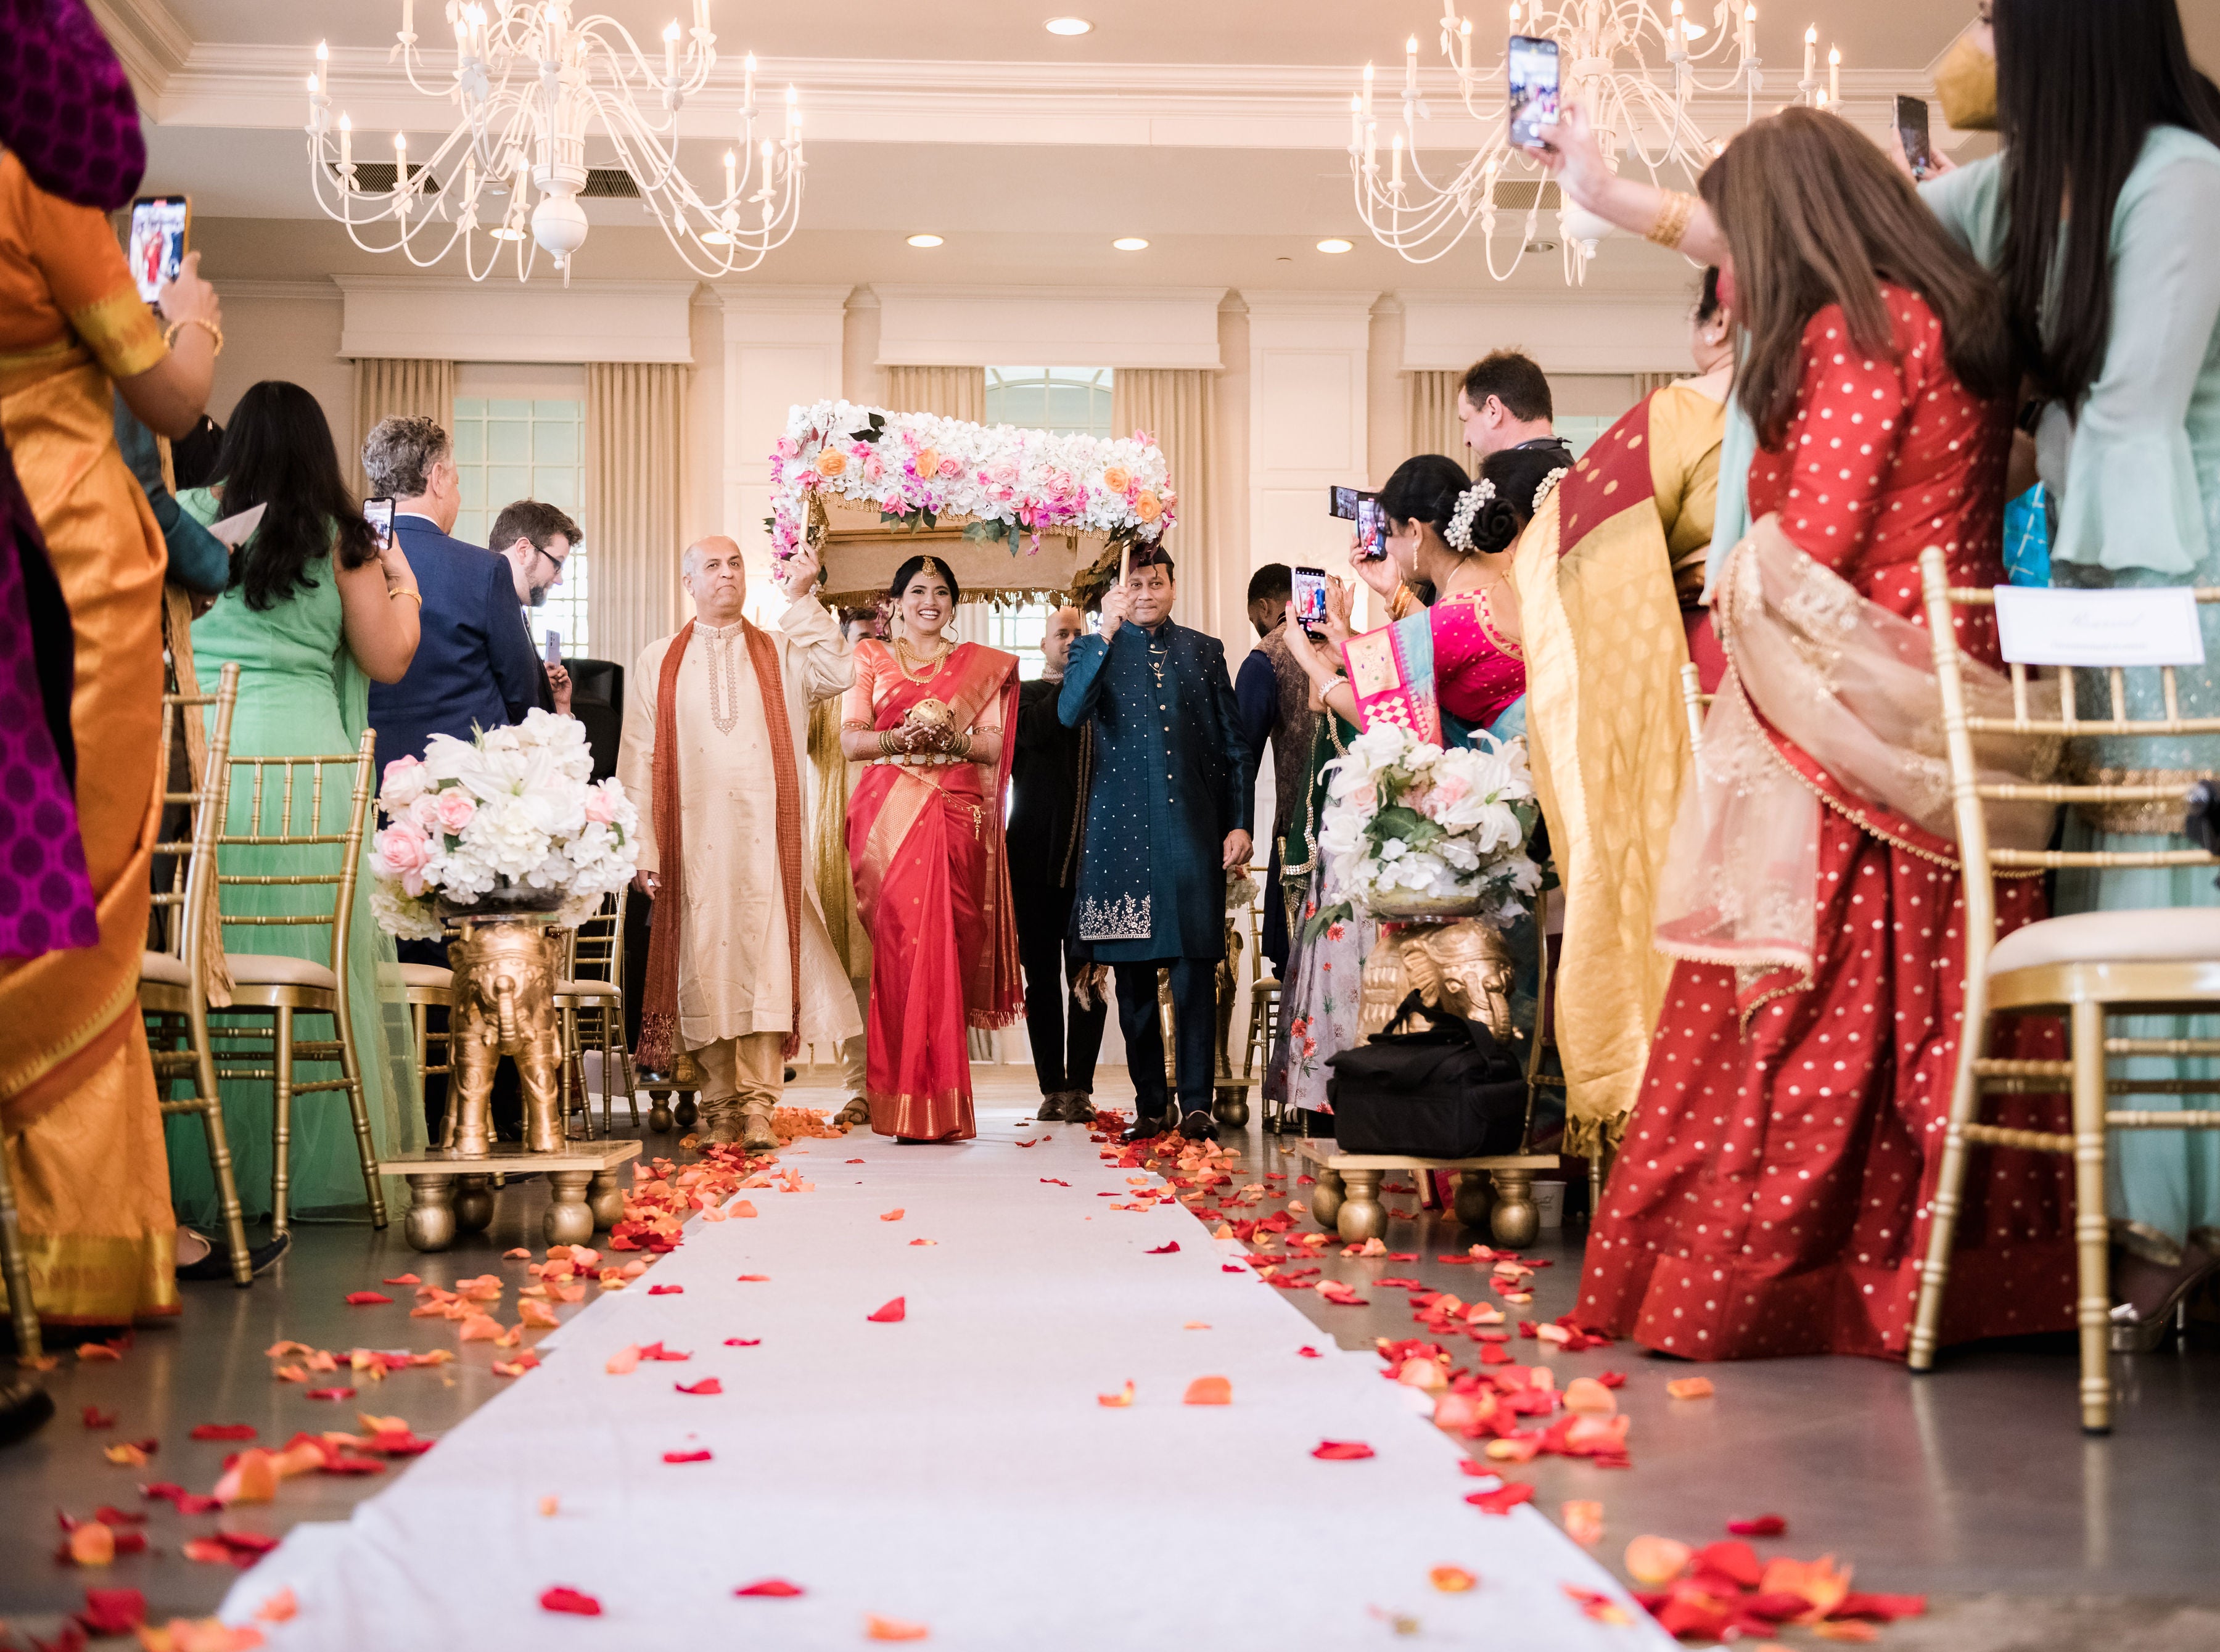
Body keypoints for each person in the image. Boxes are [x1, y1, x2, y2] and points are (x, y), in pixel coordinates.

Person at [1575, 108, 2077, 1362]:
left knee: (1801, 991)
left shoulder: (1856, 328)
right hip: (1954, 680)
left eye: (1734, 254)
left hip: (1855, 704)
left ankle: (1766, 1280)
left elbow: (1822, 543)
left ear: (1784, 229)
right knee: (1947, 987)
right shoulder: (1960, 312)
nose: (1728, 284)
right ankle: (1974, 1274)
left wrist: (1725, 585)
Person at [1917, 0, 2220, 1342]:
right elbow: (1870, 230)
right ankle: (2131, 1217)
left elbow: (2135, 413)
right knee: (2108, 859)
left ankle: (2174, 1223)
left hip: (2183, 585)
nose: (1971, 37)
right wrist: (1625, 196)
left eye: (1992, 16)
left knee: (2164, 858)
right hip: (2106, 597)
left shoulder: (2183, 177)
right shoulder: (2030, 188)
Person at [0, 131, 218, 1336]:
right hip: (69, 592)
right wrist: (193, 326)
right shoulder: (48, 213)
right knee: (74, 923)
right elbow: (162, 421)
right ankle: (70, 1235)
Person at [173, 380, 426, 1229]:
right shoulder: (343, 539)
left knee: (202, 962)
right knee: (312, 959)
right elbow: (388, 659)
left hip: (203, 764)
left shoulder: (188, 517)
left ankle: (196, 1159)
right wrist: (405, 586)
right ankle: (306, 1168)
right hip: (308, 773)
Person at [1500, 271, 1730, 1172]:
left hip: (1730, 700)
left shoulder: (1681, 418)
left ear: (1716, 324)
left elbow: (1556, 557)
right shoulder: (1845, 404)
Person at [1272, 452, 1545, 1116]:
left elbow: (1384, 713)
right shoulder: (1496, 583)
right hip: (1524, 795)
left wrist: (1312, 661)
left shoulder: (1453, 617)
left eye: (1392, 534)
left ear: (1417, 533)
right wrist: (1351, 630)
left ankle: (1470, 1117)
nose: (1389, 548)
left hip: (1493, 819)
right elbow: (1404, 664)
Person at [620, 536, 861, 1151]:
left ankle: (758, 1106)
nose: (726, 574)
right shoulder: (657, 660)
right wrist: (643, 846)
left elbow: (840, 672)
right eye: (712, 566)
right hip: (690, 842)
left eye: (735, 564)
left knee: (763, 963)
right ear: (689, 583)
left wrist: (802, 597)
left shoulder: (780, 648)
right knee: (703, 967)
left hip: (766, 842)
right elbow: (639, 756)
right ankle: (720, 1106)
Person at [1059, 551, 1252, 1143]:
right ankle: (1151, 1105)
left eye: (1156, 582)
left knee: (1195, 972)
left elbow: (1235, 747)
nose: (1145, 592)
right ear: (1118, 592)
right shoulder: (1094, 649)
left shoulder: (1204, 651)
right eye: (1134, 583)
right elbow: (1070, 712)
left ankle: (1195, 1104)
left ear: (1173, 585)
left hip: (1191, 835)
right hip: (1119, 841)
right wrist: (1104, 631)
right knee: (1134, 983)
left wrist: (1239, 824)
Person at [839, 556, 1024, 1142]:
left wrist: (953, 739)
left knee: (946, 950)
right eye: (917, 590)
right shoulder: (871, 656)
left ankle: (941, 1104)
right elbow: (850, 740)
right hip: (887, 817)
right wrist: (899, 737)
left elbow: (991, 747)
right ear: (895, 602)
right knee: (901, 953)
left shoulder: (978, 666)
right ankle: (901, 1103)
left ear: (953, 602)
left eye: (941, 592)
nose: (930, 601)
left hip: (955, 815)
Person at [361, 417, 548, 783]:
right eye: (457, 482)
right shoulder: (485, 569)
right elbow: (521, 692)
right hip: (460, 780)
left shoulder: (349, 563)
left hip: (366, 772)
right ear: (438, 478)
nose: (458, 497)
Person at [1011, 605, 1108, 1124]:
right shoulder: (1023, 695)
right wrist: (1079, 681)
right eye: (1061, 634)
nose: (1070, 641)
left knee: (1088, 976)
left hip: (1092, 862)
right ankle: (1052, 1087)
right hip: (1032, 860)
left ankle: (1081, 1087)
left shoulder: (1100, 698)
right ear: (1044, 645)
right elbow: (1035, 733)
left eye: (1078, 634)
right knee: (1043, 979)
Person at [807, 603, 882, 1127]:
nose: (870, 649)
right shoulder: (828, 696)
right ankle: (859, 1086)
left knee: (895, 967)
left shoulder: (896, 688)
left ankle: (904, 1082)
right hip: (839, 842)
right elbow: (800, 740)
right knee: (852, 971)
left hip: (894, 839)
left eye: (879, 639)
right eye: (860, 639)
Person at [1233, 563, 1315, 974]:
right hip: (1358, 829)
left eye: (1255, 620)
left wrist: (1236, 827)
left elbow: (1241, 755)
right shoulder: (1352, 643)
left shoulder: (1265, 658)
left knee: (1295, 970)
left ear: (1265, 607)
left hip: (1299, 833)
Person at [490, 499, 580, 714]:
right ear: (524, 550)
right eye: (557, 564)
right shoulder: (488, 616)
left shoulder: (514, 614)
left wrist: (551, 698)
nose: (559, 579)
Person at [1458, 350, 1574, 468]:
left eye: (1467, 420)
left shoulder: (1505, 479)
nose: (1466, 441)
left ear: (1493, 411)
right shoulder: (1575, 472)